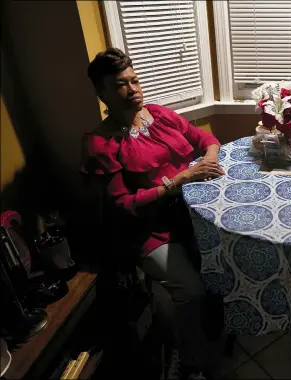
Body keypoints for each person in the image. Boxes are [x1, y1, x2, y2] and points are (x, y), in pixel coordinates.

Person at [81, 48, 225, 379]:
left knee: (225, 264)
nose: (133, 89)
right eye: (120, 84)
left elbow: (205, 138)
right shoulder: (100, 143)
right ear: (101, 92)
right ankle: (191, 362)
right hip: (147, 230)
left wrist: (209, 160)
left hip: (191, 213)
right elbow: (123, 204)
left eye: (134, 80)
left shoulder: (158, 115)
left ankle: (216, 331)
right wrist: (178, 181)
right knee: (191, 290)